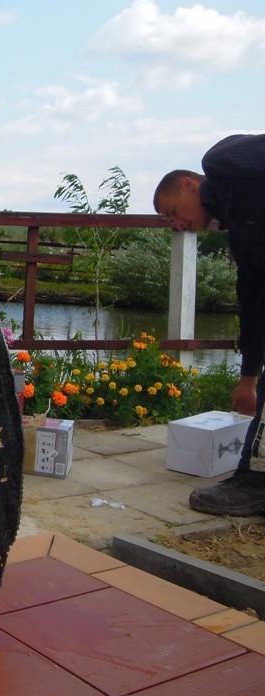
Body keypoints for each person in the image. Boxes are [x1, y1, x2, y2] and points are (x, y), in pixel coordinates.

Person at [153, 132, 265, 516]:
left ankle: (253, 482)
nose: (178, 224)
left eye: (172, 212)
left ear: (189, 185)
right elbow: (254, 303)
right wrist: (248, 378)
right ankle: (254, 479)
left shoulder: (221, 162)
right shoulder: (243, 236)